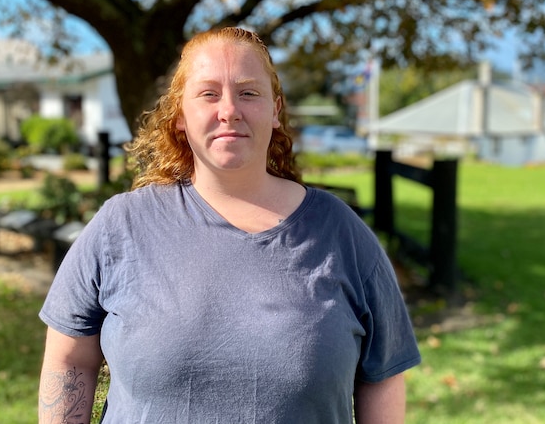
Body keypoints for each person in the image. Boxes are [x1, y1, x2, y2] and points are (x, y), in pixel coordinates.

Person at [38, 27, 421, 423]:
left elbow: (384, 375)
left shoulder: (341, 233)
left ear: (275, 110)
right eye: (208, 93)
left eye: (248, 92)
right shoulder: (120, 226)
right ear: (180, 116)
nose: (229, 110)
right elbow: (69, 361)